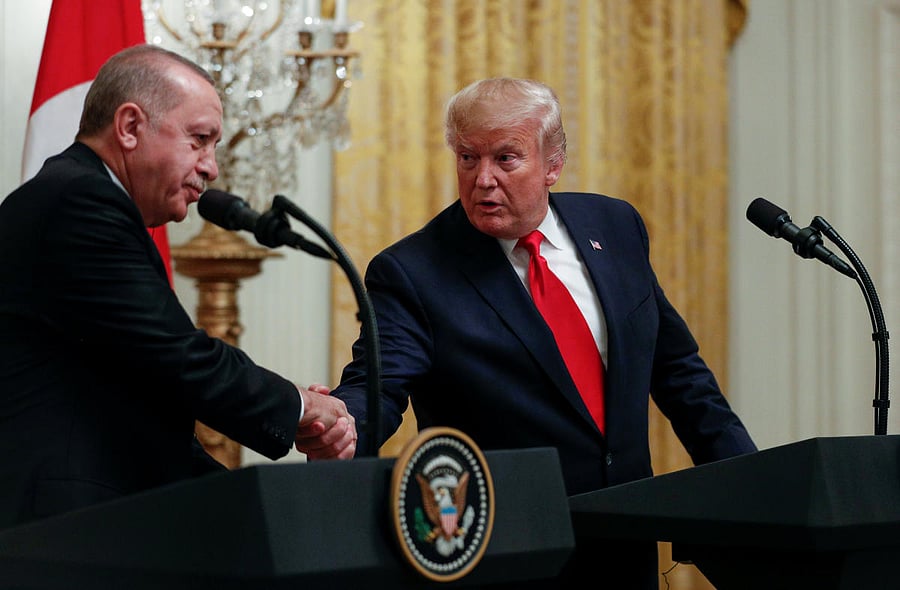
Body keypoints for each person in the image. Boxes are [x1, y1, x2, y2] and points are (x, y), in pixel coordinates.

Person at [331, 77, 757, 588]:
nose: (483, 179)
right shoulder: (413, 271)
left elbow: (680, 374)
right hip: (504, 554)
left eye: (505, 159)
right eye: (467, 158)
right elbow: (377, 385)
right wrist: (342, 425)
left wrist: (752, 487)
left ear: (552, 164)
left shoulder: (615, 225)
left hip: (626, 547)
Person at [0, 44, 355, 530]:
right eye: (199, 139)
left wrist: (252, 503)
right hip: (64, 526)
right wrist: (300, 406)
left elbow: (145, 393)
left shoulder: (81, 197)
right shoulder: (79, 203)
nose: (211, 167)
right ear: (130, 127)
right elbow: (179, 356)